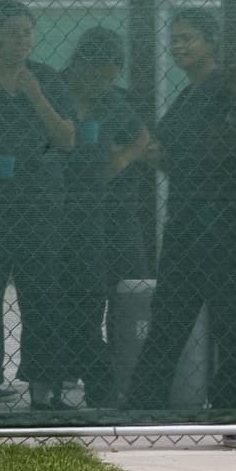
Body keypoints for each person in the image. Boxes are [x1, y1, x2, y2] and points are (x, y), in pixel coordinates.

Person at [125, 9, 236, 413]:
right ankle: (143, 406)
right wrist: (160, 156)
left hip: (222, 229)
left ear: (210, 41)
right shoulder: (187, 96)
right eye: (175, 39)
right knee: (168, 320)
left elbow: (219, 151)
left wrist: (177, 156)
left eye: (188, 38)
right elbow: (170, 156)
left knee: (230, 324)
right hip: (187, 225)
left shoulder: (224, 89)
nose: (179, 46)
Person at [60, 26, 154, 408]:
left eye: (110, 73)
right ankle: (96, 373)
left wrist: (123, 158)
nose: (102, 80)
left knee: (128, 291)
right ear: (78, 64)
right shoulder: (56, 92)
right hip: (70, 213)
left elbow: (143, 137)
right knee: (81, 298)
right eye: (96, 72)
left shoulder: (117, 101)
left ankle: (122, 376)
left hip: (116, 212)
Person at [0, 0, 76, 408]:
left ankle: (45, 384)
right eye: (13, 31)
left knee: (42, 291)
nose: (22, 40)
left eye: (28, 32)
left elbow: (67, 138)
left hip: (40, 203)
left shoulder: (46, 78)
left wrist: (36, 96)